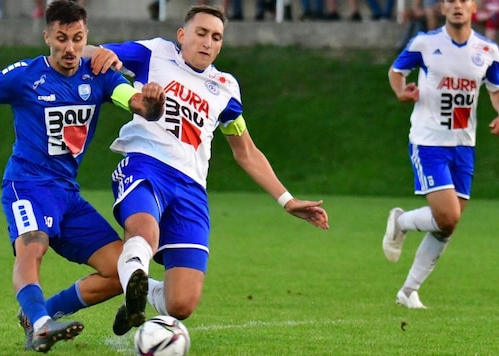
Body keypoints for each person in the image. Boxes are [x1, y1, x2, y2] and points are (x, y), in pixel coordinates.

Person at [0, 0, 165, 352]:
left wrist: (153, 100)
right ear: (46, 35)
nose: (70, 48)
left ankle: (40, 316)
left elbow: (140, 105)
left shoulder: (101, 75)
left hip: (68, 194)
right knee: (32, 247)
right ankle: (42, 325)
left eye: (77, 38)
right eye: (61, 38)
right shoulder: (25, 75)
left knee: (120, 271)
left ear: (86, 37)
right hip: (28, 185)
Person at [84, 4, 329, 335]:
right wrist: (96, 54)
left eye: (216, 37)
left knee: (181, 304)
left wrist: (287, 200)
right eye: (201, 33)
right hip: (146, 165)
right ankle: (135, 288)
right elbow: (90, 52)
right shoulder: (154, 53)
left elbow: (246, 152)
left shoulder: (226, 88)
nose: (208, 42)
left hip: (191, 189)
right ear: (182, 35)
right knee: (145, 230)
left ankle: (141, 292)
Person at [384, 0, 499, 309]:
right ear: (442, 8)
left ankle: (408, 291)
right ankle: (400, 222)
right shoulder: (426, 43)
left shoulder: (487, 50)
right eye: (451, 1)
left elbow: (497, 90)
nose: (458, 6)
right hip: (428, 142)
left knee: (448, 224)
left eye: (464, 1)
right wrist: (402, 91)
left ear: (473, 8)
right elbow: (396, 71)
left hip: (464, 144)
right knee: (448, 216)